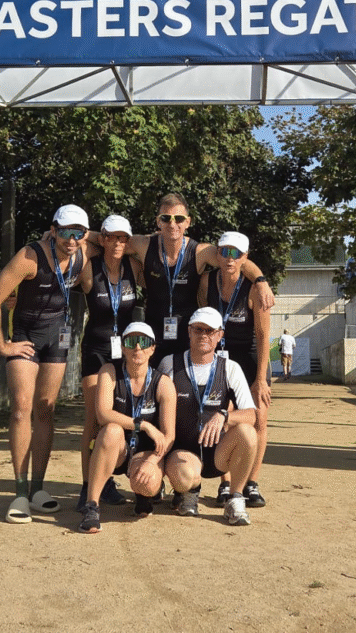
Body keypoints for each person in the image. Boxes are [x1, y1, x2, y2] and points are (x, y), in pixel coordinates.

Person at [0, 204, 89, 524]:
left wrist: (86, 236)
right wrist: (3, 345)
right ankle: (19, 491)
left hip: (57, 341)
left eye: (78, 233)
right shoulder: (30, 256)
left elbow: (111, 239)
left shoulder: (82, 254)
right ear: (53, 230)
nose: (72, 239)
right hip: (25, 338)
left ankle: (39, 489)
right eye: (65, 232)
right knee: (21, 408)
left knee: (45, 407)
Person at [92, 193, 274, 367]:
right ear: (158, 221)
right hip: (154, 332)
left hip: (188, 335)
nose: (172, 224)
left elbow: (237, 260)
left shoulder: (200, 252)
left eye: (178, 219)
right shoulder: (144, 245)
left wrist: (260, 280)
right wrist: (80, 235)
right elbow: (108, 241)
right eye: (166, 218)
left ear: (188, 222)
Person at [158, 307, 258, 526]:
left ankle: (235, 498)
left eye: (210, 331)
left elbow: (251, 415)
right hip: (183, 451)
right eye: (198, 329)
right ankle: (189, 492)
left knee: (248, 433)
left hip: (217, 454)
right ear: (189, 332)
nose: (204, 335)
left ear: (220, 335)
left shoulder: (230, 368)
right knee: (184, 476)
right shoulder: (169, 364)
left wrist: (224, 416)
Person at [79, 322, 177, 534]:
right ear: (123, 347)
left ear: (152, 349)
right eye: (132, 342)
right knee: (111, 429)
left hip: (144, 451)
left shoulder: (163, 383)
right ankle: (92, 506)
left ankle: (144, 495)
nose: (138, 348)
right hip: (117, 449)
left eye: (144, 342)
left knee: (149, 483)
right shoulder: (109, 372)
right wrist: (144, 425)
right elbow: (103, 414)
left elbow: (169, 436)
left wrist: (152, 462)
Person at [75, 214, 144, 511]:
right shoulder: (90, 268)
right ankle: (87, 487)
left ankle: (106, 481)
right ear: (102, 237)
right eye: (111, 236)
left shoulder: (134, 267)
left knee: (117, 417)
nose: (117, 242)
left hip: (125, 353)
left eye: (122, 238)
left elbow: (147, 248)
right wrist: (96, 241)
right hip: (97, 350)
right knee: (94, 420)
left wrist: (126, 248)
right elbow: (79, 245)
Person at [198, 231, 271, 508]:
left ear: (245, 258)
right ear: (217, 255)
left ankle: (251, 483)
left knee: (259, 420)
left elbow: (264, 337)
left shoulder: (253, 288)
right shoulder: (207, 282)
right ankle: (225, 483)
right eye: (225, 252)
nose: (229, 259)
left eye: (236, 253)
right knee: (225, 417)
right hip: (221, 360)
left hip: (250, 359)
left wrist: (261, 379)